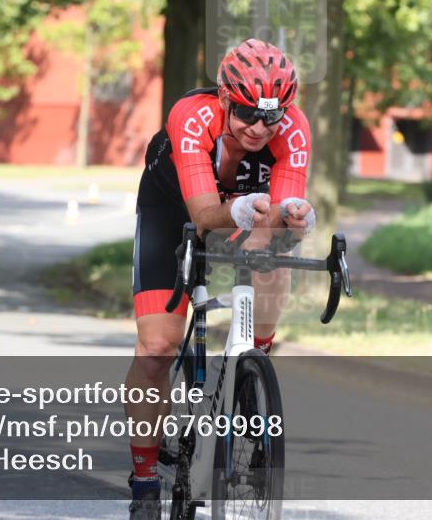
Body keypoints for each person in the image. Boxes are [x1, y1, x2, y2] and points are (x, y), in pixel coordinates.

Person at [125, 38, 315, 519]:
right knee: (156, 347)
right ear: (226, 99)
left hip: (244, 204)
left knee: (271, 253)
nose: (259, 128)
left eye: (270, 118)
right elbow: (204, 213)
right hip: (176, 206)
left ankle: (255, 368)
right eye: (248, 114)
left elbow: (283, 213)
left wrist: (291, 222)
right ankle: (145, 479)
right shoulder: (192, 115)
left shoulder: (292, 129)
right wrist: (237, 211)